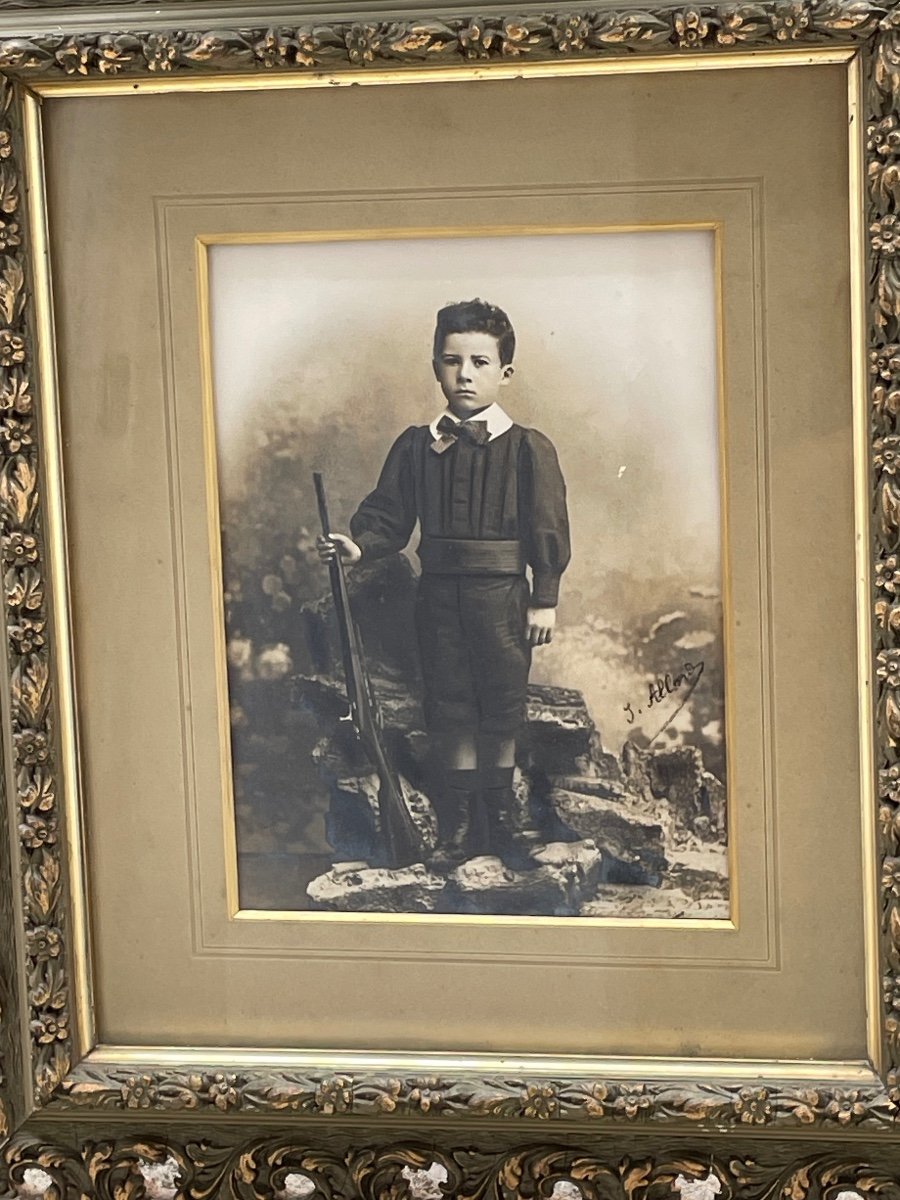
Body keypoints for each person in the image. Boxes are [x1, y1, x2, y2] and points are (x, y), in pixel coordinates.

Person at [317, 299, 570, 870]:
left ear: (504, 371)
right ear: (435, 367)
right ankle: (458, 828)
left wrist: (546, 598)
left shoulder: (529, 447)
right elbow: (388, 514)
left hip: (504, 597)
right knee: (449, 704)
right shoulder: (415, 445)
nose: (465, 374)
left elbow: (547, 526)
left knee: (500, 704)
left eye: (480, 362)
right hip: (437, 597)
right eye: (452, 361)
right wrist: (360, 546)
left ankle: (501, 824)